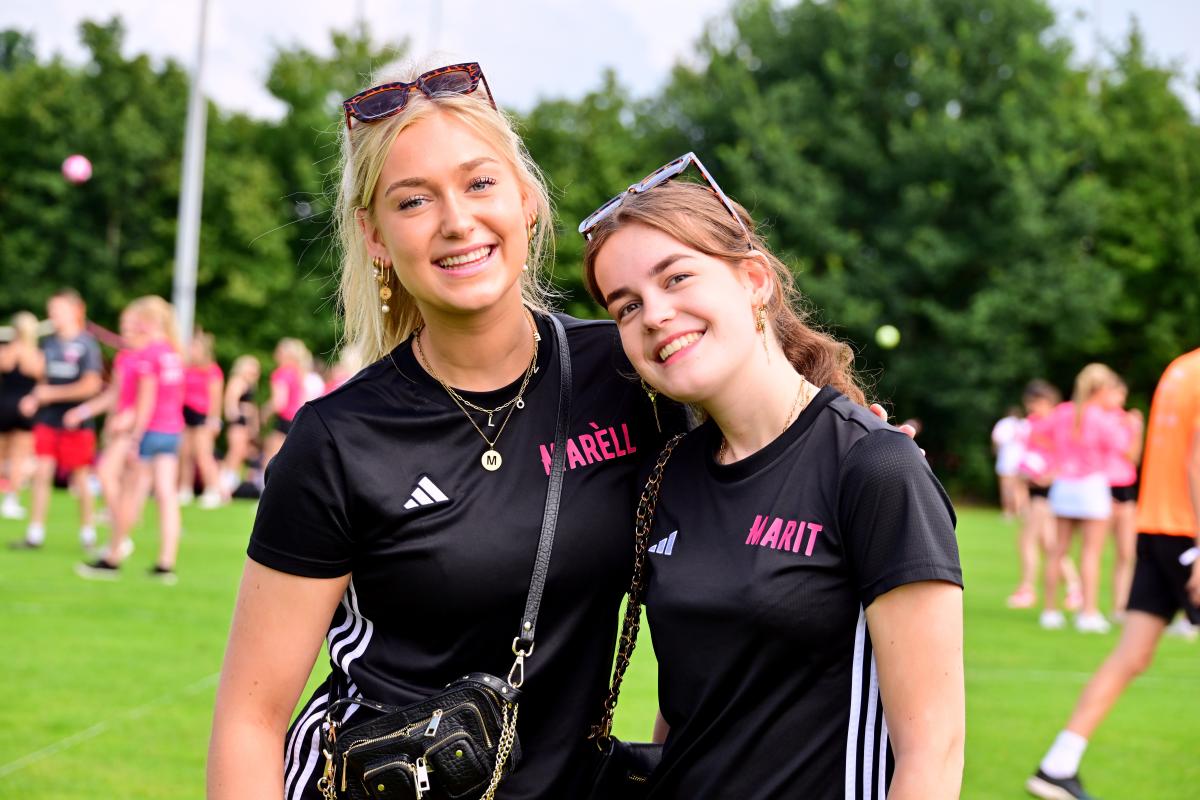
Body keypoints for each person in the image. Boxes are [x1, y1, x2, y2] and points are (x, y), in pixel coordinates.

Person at [206, 59, 667, 800]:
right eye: (414, 200)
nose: (456, 221)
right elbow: (249, 722)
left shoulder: (627, 374)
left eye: (479, 183)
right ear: (374, 235)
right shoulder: (338, 441)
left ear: (525, 199)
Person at [583, 157, 964, 798]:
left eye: (676, 277)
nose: (654, 314)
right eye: (627, 306)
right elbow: (695, 708)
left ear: (754, 280)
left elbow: (934, 754)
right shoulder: (669, 475)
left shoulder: (874, 468)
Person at [1026, 347, 1200, 800]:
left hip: (1157, 528)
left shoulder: (1181, 369)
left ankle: (1059, 762)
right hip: (1187, 533)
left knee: (1131, 655)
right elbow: (1196, 459)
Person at [77, 296, 185, 582]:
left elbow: (146, 399)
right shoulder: (172, 352)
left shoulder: (148, 354)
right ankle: (166, 563)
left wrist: (136, 435)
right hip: (172, 430)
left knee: (129, 495)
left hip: (150, 430)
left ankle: (113, 556)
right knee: (166, 496)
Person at [10, 289, 102, 550]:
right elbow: (42, 380)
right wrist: (33, 398)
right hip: (48, 417)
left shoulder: (87, 345)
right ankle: (35, 533)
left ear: (76, 310)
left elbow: (91, 385)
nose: (53, 315)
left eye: (58, 309)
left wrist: (51, 394)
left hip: (76, 420)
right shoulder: (48, 344)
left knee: (80, 477)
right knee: (42, 473)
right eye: (51, 310)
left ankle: (88, 533)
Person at [1042, 364, 1130, 634]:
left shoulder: (1063, 412)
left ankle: (1050, 611)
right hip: (1091, 485)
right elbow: (1121, 447)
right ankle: (1088, 613)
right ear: (1101, 389)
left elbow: (1039, 434)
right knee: (1091, 552)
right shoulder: (1103, 418)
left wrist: (1059, 458)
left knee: (1058, 550)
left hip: (1064, 484)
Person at [1008, 380, 1083, 611]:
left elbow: (1066, 454)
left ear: (1048, 401)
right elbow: (1029, 454)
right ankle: (1074, 588)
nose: (1032, 408)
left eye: (1036, 403)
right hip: (1035, 486)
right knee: (1050, 544)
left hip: (1050, 489)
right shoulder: (1033, 423)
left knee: (1028, 539)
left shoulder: (1059, 422)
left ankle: (1027, 589)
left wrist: (1049, 477)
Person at [1102, 377, 1143, 619]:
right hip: (1102, 486)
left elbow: (1132, 456)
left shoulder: (1126, 421)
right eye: (1117, 394)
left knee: (1126, 552)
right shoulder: (1096, 419)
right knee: (1093, 550)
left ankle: (1121, 606)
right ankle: (1086, 605)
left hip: (1124, 487)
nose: (1121, 400)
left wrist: (1136, 430)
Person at [0, 311, 43, 519]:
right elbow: (41, 379)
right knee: (18, 457)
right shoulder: (36, 354)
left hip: (4, 405)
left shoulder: (5, 352)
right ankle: (11, 500)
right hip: (25, 407)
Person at [178, 330, 225, 508]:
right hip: (186, 414)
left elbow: (216, 397)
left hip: (203, 416)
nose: (191, 351)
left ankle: (212, 490)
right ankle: (185, 489)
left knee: (204, 455)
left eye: (195, 348)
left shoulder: (212, 371)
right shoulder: (187, 368)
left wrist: (214, 420)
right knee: (185, 454)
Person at [261, 337, 307, 468]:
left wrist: (265, 411)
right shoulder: (298, 373)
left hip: (284, 421)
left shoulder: (281, 374)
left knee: (269, 461)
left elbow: (279, 402)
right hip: (296, 421)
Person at [219, 354, 260, 494]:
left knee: (241, 453)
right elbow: (230, 406)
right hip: (238, 424)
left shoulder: (250, 385)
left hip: (244, 425)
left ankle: (230, 483)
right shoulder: (237, 382)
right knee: (234, 453)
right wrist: (243, 411)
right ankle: (223, 484)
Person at [993, 406, 1030, 520]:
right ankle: (1022, 511)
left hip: (1007, 460)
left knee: (1006, 487)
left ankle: (1008, 511)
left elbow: (996, 439)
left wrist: (995, 451)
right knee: (1021, 487)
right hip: (1024, 461)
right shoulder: (1026, 424)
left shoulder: (1004, 424)